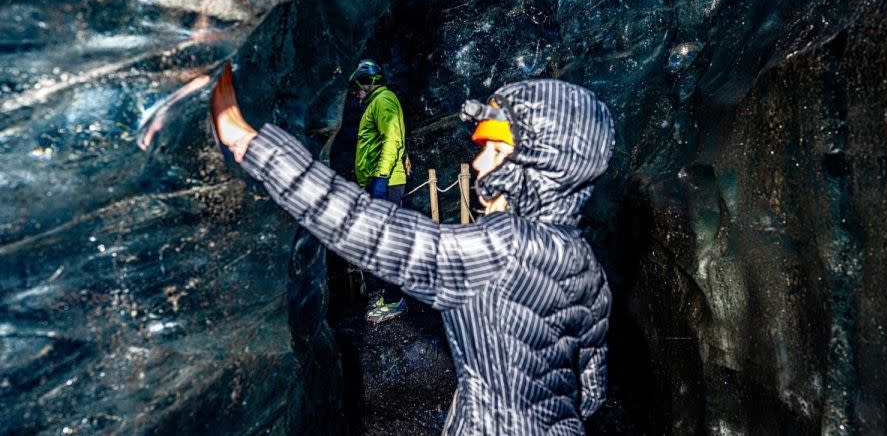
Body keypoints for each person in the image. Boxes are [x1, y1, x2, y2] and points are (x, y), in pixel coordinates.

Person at [212, 66, 614, 435]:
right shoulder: (588, 267)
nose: (477, 164)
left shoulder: (496, 251)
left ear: (536, 168)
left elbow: (363, 226)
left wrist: (248, 141)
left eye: (495, 152)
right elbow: (590, 392)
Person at [347, 59, 409, 323]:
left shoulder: (383, 100)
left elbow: (392, 138)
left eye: (355, 88)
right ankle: (389, 293)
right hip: (379, 180)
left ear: (366, 82)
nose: (354, 94)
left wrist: (381, 177)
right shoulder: (378, 102)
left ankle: (395, 300)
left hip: (384, 182)